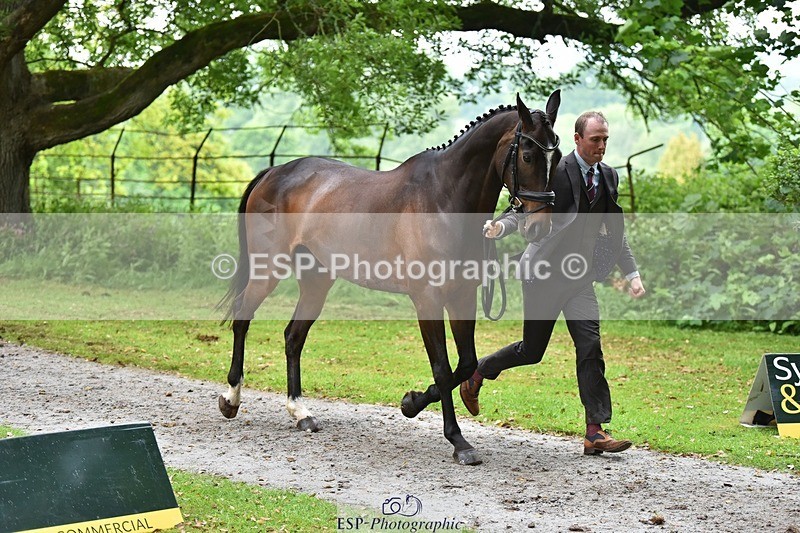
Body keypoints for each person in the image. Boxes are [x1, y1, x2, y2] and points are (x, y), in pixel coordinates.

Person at [461, 111, 646, 455]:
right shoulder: (557, 170)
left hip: (580, 279)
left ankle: (595, 431)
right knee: (532, 351)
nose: (601, 146)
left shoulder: (608, 176)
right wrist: (501, 227)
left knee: (590, 346)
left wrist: (632, 273)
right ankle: (479, 373)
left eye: (605, 139)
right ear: (577, 139)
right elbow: (525, 207)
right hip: (543, 275)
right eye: (595, 139)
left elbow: (615, 230)